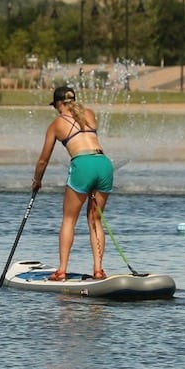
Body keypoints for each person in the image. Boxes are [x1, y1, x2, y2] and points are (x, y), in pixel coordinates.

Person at [31, 84, 115, 281]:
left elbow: (43, 159)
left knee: (69, 219)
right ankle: (98, 270)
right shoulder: (90, 114)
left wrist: (37, 181)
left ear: (59, 103)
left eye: (56, 106)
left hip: (83, 165)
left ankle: (61, 270)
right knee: (95, 220)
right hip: (103, 164)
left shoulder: (56, 124)